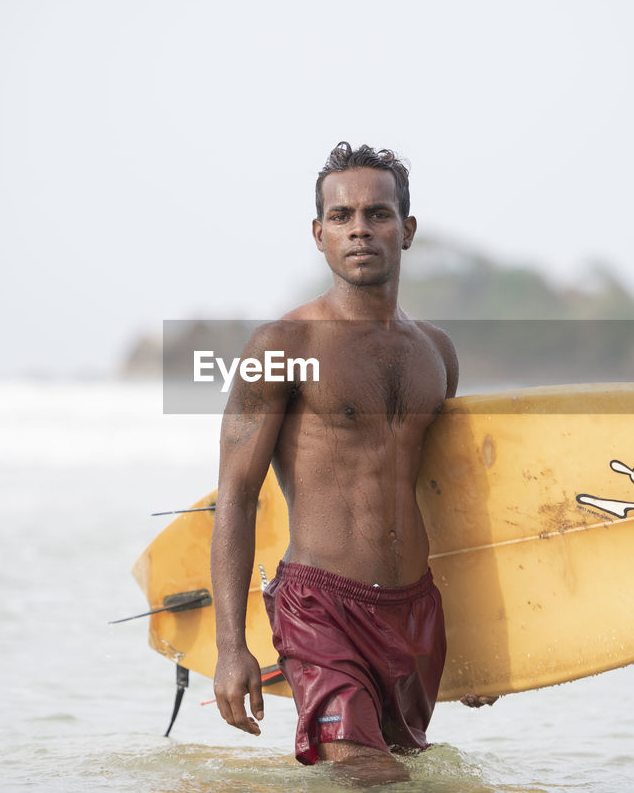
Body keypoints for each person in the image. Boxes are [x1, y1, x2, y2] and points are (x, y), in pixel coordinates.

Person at [210, 142, 494, 783]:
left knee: (410, 770)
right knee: (369, 774)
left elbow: (446, 497)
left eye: (378, 213)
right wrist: (234, 647)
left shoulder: (437, 354)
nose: (359, 228)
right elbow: (235, 494)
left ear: (408, 229)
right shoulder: (283, 345)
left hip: (416, 610)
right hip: (321, 607)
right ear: (318, 234)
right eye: (341, 217)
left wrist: (480, 646)